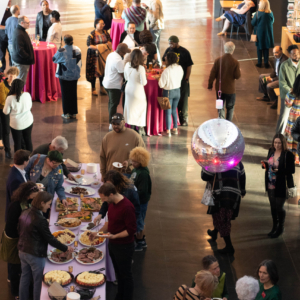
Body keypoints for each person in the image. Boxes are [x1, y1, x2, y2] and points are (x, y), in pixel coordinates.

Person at [18, 192, 73, 300]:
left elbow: (19, 230)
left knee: (24, 278)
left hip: (22, 250)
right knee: (38, 282)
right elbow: (50, 239)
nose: (49, 207)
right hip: (35, 255)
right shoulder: (40, 219)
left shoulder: (24, 212)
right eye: (48, 204)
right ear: (42, 203)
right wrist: (66, 248)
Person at [95, 183, 137, 300]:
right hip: (113, 245)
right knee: (119, 273)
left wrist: (115, 236)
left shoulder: (127, 207)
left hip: (124, 247)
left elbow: (131, 230)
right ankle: (120, 296)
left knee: (126, 275)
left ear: (111, 194)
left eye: (104, 198)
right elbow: (109, 223)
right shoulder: (112, 203)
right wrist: (97, 233)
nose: (103, 201)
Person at [0, 182, 39, 299]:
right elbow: (12, 227)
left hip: (20, 238)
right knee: (14, 266)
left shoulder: (25, 202)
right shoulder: (16, 206)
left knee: (20, 266)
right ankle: (15, 292)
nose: (36, 196)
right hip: (13, 241)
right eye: (35, 194)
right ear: (29, 194)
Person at [202, 161, 246, 254]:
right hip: (234, 195)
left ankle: (229, 247)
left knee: (222, 219)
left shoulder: (215, 161)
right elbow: (242, 175)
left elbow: (205, 176)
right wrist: (242, 190)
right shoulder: (236, 161)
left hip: (220, 195)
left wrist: (205, 164)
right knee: (223, 217)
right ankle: (215, 232)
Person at [261, 134, 295, 238]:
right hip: (271, 183)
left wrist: (278, 171)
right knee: (273, 207)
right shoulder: (271, 151)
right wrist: (265, 165)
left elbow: (291, 170)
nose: (277, 145)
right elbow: (269, 164)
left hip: (281, 184)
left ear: (283, 143)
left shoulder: (288, 155)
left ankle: (281, 227)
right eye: (275, 142)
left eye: (279, 143)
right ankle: (274, 226)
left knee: (279, 207)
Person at [100, 113, 145, 179]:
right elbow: (102, 157)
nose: (115, 126)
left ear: (124, 122)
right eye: (113, 124)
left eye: (118, 124)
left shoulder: (135, 136)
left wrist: (129, 162)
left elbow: (142, 156)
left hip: (128, 176)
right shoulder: (107, 137)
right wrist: (103, 174)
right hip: (111, 176)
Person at [123, 146, 152, 251]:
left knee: (140, 222)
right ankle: (139, 239)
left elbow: (142, 191)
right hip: (136, 200)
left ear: (141, 161)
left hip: (141, 202)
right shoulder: (136, 169)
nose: (132, 163)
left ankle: (140, 243)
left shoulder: (143, 174)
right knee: (137, 220)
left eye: (135, 162)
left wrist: (131, 196)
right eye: (132, 161)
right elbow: (133, 177)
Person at [25, 150, 68, 216]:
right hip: (32, 197)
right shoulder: (36, 159)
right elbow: (24, 172)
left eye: (58, 164)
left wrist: (63, 198)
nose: (56, 166)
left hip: (45, 201)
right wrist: (29, 186)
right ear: (48, 159)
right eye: (54, 163)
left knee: (43, 218)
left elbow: (59, 187)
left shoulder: (59, 169)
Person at [162, 36, 193, 126]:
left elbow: (189, 66)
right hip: (171, 78)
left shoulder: (184, 52)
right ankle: (171, 118)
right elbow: (164, 60)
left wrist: (186, 78)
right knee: (173, 99)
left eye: (172, 43)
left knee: (183, 99)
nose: (170, 45)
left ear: (177, 43)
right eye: (169, 43)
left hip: (181, 79)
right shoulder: (168, 50)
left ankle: (183, 117)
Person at [208, 41, 241, 121]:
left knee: (220, 107)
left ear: (224, 49)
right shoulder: (235, 62)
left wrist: (210, 84)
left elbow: (212, 74)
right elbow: (237, 76)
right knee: (230, 107)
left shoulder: (218, 60)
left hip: (220, 89)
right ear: (233, 50)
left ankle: (221, 121)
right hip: (230, 90)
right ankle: (228, 123)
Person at [53, 34, 82, 119]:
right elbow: (79, 62)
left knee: (65, 94)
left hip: (64, 75)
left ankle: (66, 113)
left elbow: (54, 59)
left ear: (64, 41)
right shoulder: (77, 49)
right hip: (74, 75)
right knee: (73, 93)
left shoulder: (61, 50)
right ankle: (73, 112)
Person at [103, 43, 131, 126]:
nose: (126, 54)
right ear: (121, 52)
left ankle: (111, 121)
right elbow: (123, 74)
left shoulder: (111, 54)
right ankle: (111, 123)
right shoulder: (118, 60)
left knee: (111, 103)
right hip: (114, 85)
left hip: (107, 82)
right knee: (113, 104)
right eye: (125, 52)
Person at [3, 79, 33, 152]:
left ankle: (19, 161)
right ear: (22, 86)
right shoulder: (27, 94)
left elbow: (6, 112)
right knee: (28, 139)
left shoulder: (9, 98)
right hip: (28, 121)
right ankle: (31, 158)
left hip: (16, 124)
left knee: (17, 143)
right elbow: (30, 106)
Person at [276, 45, 300, 134]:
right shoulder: (284, 65)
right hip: (287, 95)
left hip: (299, 97)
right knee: (284, 117)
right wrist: (290, 90)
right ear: (289, 55)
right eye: (294, 54)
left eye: (298, 53)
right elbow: (282, 82)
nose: (297, 56)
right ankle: (278, 138)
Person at [158, 52, 183, 136]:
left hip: (168, 92)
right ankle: (175, 128)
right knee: (174, 110)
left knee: (168, 112)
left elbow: (161, 85)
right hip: (177, 91)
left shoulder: (166, 71)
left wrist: (159, 78)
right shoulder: (180, 67)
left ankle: (168, 131)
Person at [124, 49, 147, 135]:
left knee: (130, 109)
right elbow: (143, 83)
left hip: (129, 89)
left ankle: (132, 128)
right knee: (140, 109)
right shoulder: (141, 68)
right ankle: (140, 128)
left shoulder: (127, 65)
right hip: (138, 91)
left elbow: (126, 77)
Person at [86, 18, 112, 96]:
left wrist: (102, 46)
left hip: (103, 55)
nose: (102, 25)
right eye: (100, 24)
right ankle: (93, 88)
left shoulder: (105, 32)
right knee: (93, 72)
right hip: (94, 56)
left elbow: (109, 42)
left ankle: (102, 87)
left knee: (103, 71)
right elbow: (89, 45)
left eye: (103, 24)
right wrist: (102, 47)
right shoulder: (92, 34)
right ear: (96, 24)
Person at [5, 149, 31, 221]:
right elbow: (16, 198)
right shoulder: (15, 179)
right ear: (25, 162)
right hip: (17, 215)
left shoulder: (20, 171)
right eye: (28, 160)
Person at [0, 66, 19, 158]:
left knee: (16, 129)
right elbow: (3, 101)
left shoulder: (16, 85)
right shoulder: (2, 86)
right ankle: (7, 150)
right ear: (7, 75)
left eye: (14, 76)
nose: (11, 78)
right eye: (10, 76)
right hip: (3, 110)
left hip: (13, 110)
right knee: (6, 130)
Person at [251, 0, 274, 68]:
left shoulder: (258, 13)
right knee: (266, 48)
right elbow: (272, 21)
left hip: (259, 33)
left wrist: (252, 18)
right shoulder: (270, 13)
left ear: (261, 5)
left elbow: (253, 23)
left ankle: (259, 62)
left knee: (259, 48)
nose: (258, 5)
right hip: (268, 33)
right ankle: (266, 63)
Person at [11, 16, 35, 83]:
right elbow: (20, 50)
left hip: (18, 60)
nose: (29, 24)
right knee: (20, 82)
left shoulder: (19, 30)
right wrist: (28, 57)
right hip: (22, 62)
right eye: (27, 23)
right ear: (22, 23)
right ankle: (18, 93)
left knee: (17, 80)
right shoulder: (20, 33)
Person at [141, 0, 164, 65]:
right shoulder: (155, 1)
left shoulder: (155, 3)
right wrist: (147, 8)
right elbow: (153, 12)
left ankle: (158, 62)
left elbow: (155, 16)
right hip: (157, 26)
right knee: (156, 44)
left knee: (154, 46)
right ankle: (158, 62)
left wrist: (151, 25)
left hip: (155, 27)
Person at [284, 75, 300, 164]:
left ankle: (292, 158)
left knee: (293, 136)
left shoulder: (293, 93)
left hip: (294, 119)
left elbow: (288, 104)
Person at [0, 0, 12, 72]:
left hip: (10, 37)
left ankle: (12, 72)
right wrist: (7, 27)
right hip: (1, 37)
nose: (10, 1)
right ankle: (1, 72)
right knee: (2, 56)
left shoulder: (10, 11)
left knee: (11, 55)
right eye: (8, 0)